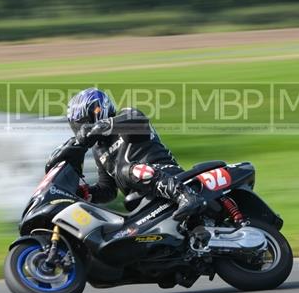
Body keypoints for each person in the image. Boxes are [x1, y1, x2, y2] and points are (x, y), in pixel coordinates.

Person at [46, 87, 205, 221]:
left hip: (170, 174)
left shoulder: (127, 116)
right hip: (141, 200)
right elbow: (108, 190)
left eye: (82, 122)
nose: (80, 129)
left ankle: (186, 196)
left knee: (124, 170)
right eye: (77, 125)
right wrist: (84, 192)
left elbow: (139, 121)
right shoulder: (98, 150)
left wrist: (98, 127)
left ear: (97, 111)